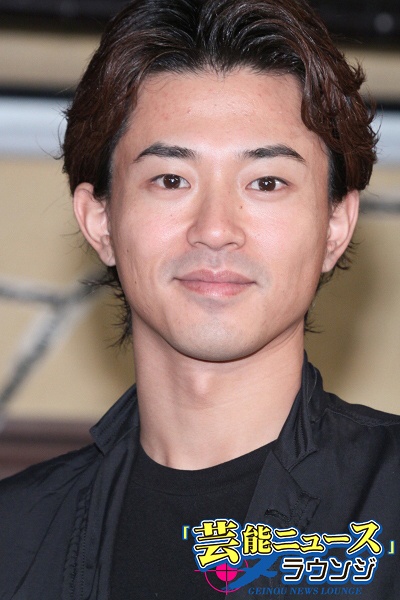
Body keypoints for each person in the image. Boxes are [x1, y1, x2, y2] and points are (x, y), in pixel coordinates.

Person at [1, 0, 399, 598]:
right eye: (171, 180)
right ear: (100, 220)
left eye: (266, 182)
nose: (215, 229)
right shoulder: (15, 537)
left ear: (336, 226)